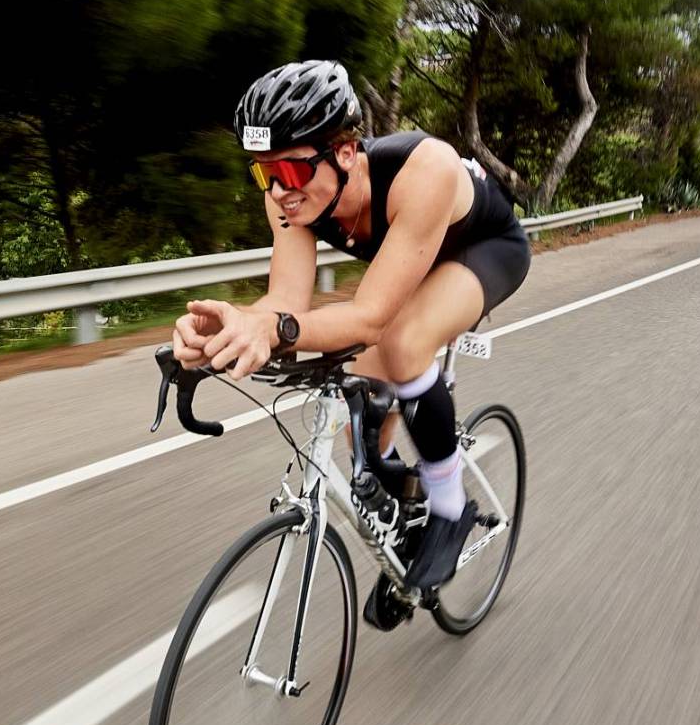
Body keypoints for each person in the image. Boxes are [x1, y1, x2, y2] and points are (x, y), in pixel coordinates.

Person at [171, 59, 530, 627]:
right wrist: (228, 327)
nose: (279, 193)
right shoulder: (290, 197)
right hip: (409, 258)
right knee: (357, 384)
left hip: (483, 250)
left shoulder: (424, 169)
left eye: (289, 172)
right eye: (263, 175)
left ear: (344, 152)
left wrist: (277, 332)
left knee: (403, 341)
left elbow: (366, 318)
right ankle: (398, 493)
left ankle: (449, 505)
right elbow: (286, 304)